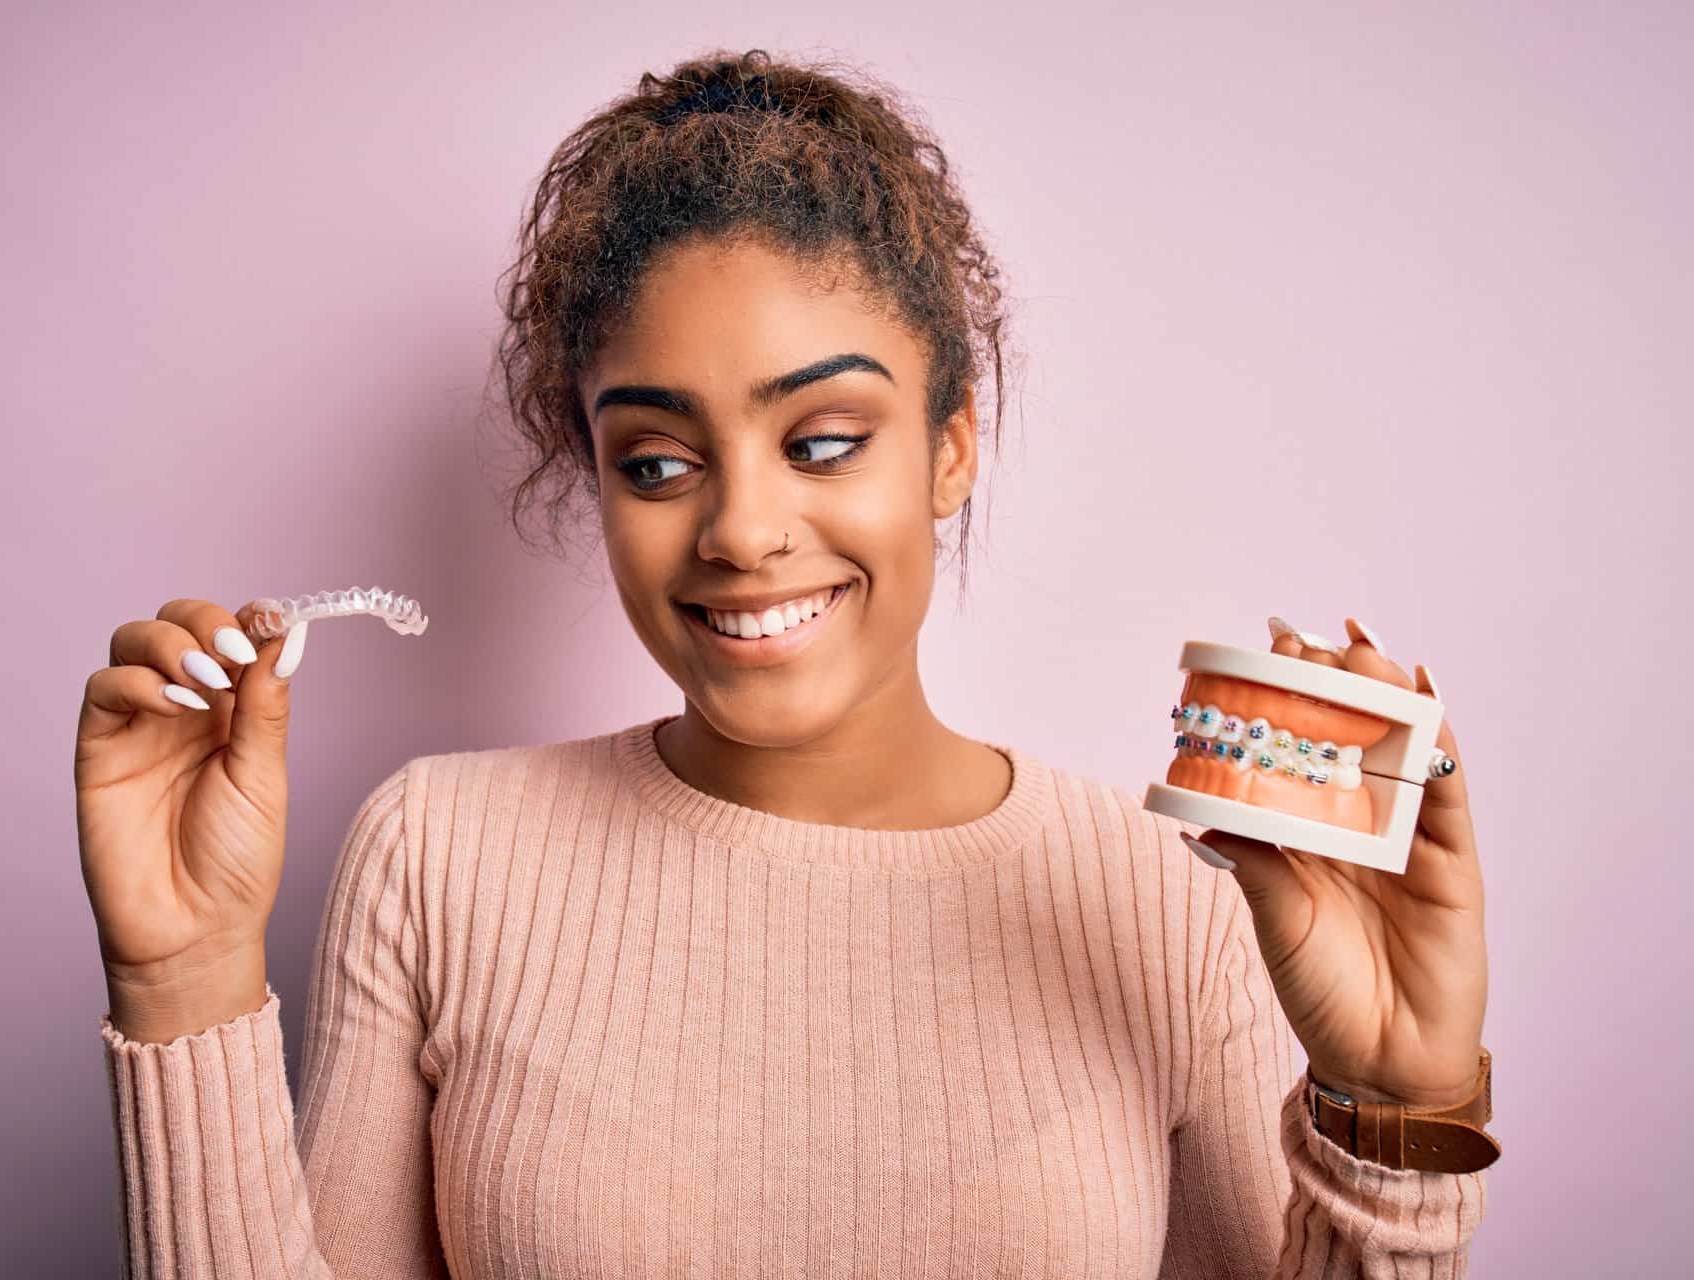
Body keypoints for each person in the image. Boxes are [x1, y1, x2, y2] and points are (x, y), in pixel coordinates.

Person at [76, 48, 1493, 1278]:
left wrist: (1393, 1115)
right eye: (658, 459)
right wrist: (187, 974)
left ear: (951, 446)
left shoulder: (1167, 909)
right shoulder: (439, 855)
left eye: (822, 442)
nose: (743, 530)